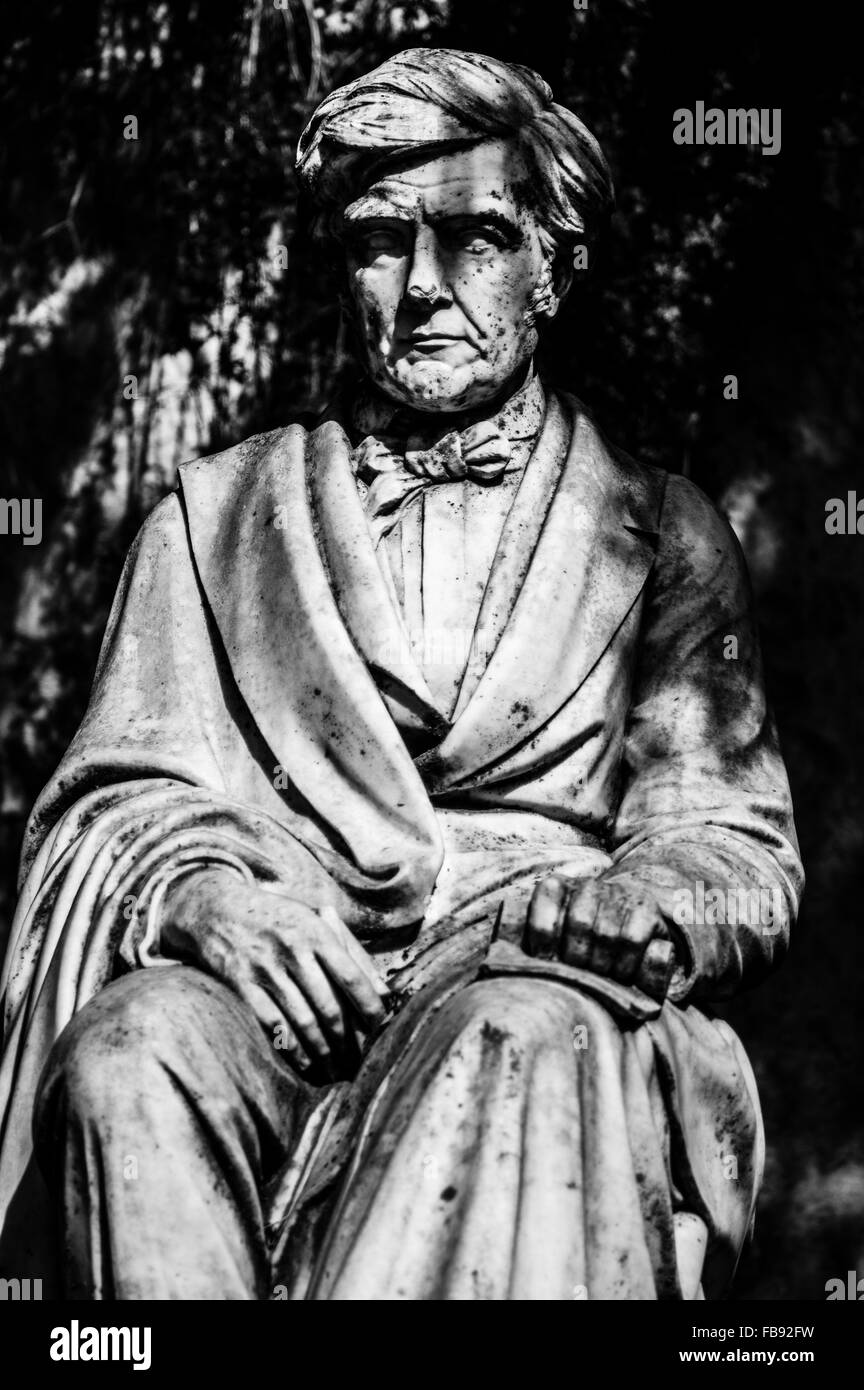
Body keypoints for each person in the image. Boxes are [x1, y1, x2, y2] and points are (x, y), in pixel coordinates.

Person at [0, 48, 802, 1300]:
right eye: (381, 242)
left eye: (477, 237)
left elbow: (737, 844)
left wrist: (645, 898)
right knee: (127, 1046)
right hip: (279, 988)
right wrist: (203, 896)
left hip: (521, 980)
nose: (424, 288)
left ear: (555, 267)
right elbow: (106, 807)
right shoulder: (215, 523)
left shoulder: (663, 534)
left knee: (519, 1037)